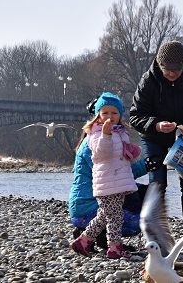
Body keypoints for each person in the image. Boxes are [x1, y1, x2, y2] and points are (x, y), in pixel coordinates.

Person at [130, 40, 183, 249]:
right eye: (168, 70)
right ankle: (155, 237)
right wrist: (156, 125)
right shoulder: (148, 80)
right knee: (157, 184)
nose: (172, 74)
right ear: (160, 65)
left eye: (176, 70)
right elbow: (135, 116)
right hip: (154, 137)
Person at [68, 97, 149, 251]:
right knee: (123, 218)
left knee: (111, 212)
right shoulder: (94, 140)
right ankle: (110, 244)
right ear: (98, 116)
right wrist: (148, 165)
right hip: (88, 203)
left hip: (104, 190)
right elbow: (113, 170)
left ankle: (89, 239)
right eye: (105, 113)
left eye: (114, 113)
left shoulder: (117, 134)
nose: (110, 117)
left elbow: (122, 165)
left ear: (120, 116)